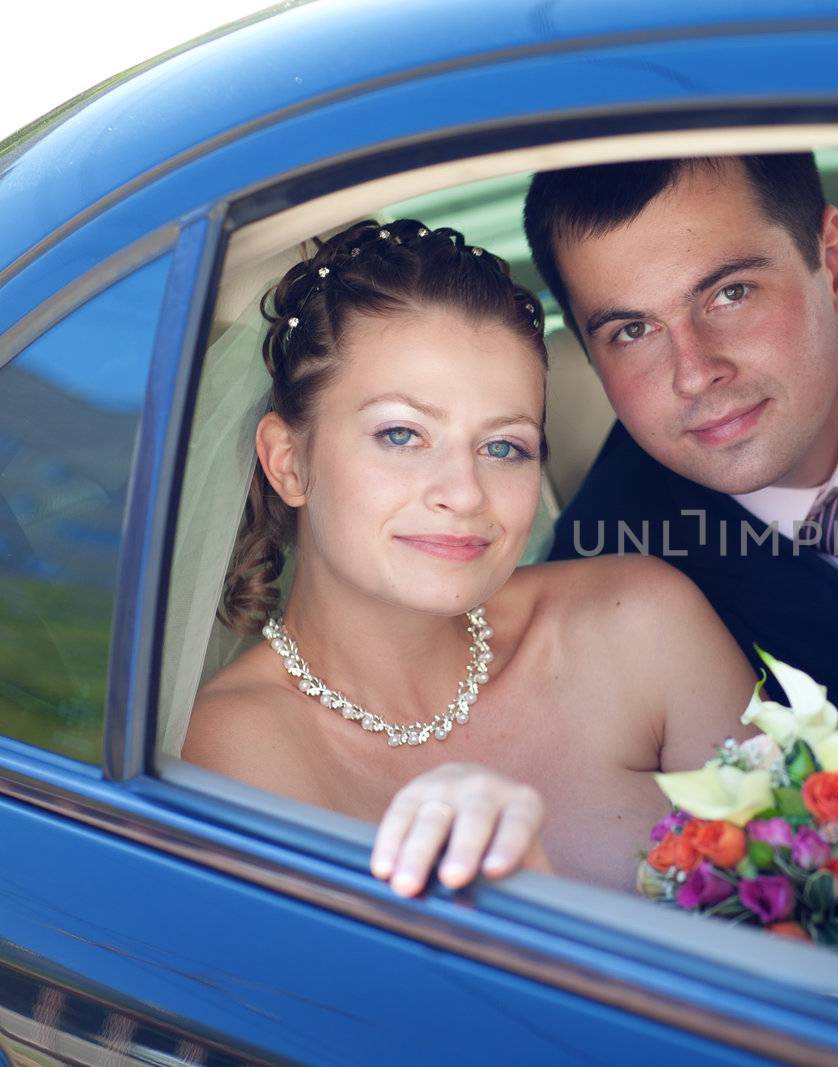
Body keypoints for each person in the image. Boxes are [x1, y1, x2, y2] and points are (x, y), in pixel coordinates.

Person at [184, 219, 754, 897]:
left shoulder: (641, 622)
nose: (463, 492)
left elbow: (811, 909)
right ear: (289, 463)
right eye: (402, 434)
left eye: (504, 446)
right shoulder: (236, 745)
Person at [524, 154, 838, 726]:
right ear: (590, 356)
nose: (692, 374)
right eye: (632, 331)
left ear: (836, 266)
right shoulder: (598, 595)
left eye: (731, 294)